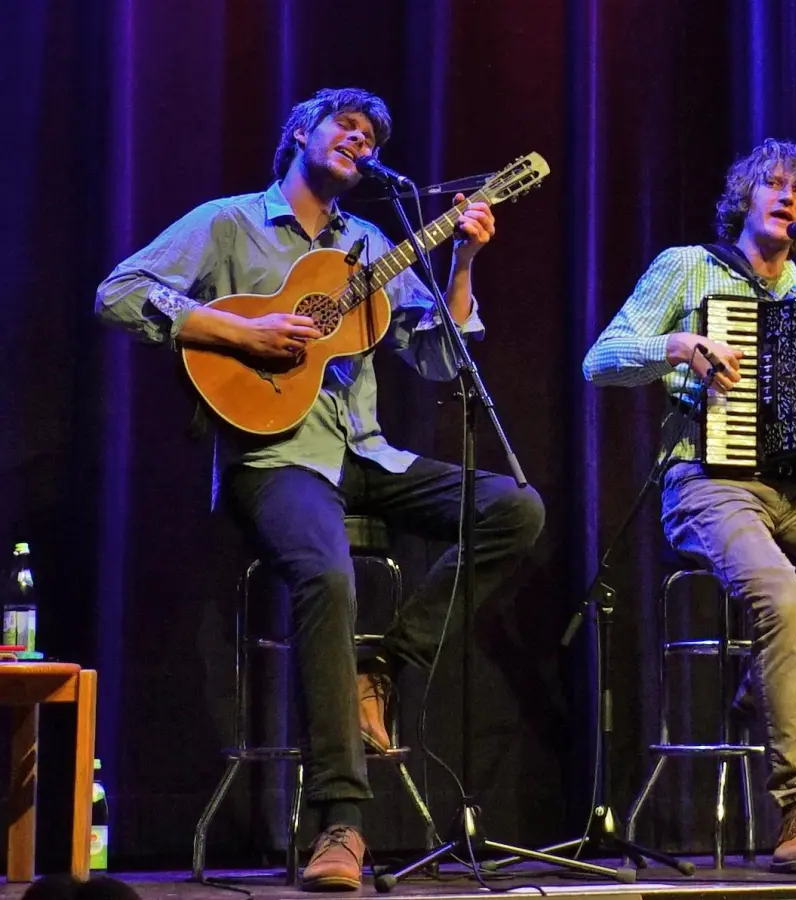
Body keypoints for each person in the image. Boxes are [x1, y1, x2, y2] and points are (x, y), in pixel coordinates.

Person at [95, 87, 545, 890]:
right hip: (274, 459)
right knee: (329, 577)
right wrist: (243, 329)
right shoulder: (230, 222)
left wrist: (465, 261)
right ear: (302, 132)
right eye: (348, 125)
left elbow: (441, 360)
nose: (361, 140)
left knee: (515, 507)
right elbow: (119, 293)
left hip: (364, 453)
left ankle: (388, 668)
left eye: (372, 135)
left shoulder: (372, 244)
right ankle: (341, 823)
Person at [582, 138, 796, 873]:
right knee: (779, 593)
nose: (787, 197)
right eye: (772, 184)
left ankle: (766, 686)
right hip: (703, 483)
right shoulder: (687, 266)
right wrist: (676, 345)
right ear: (744, 197)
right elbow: (601, 361)